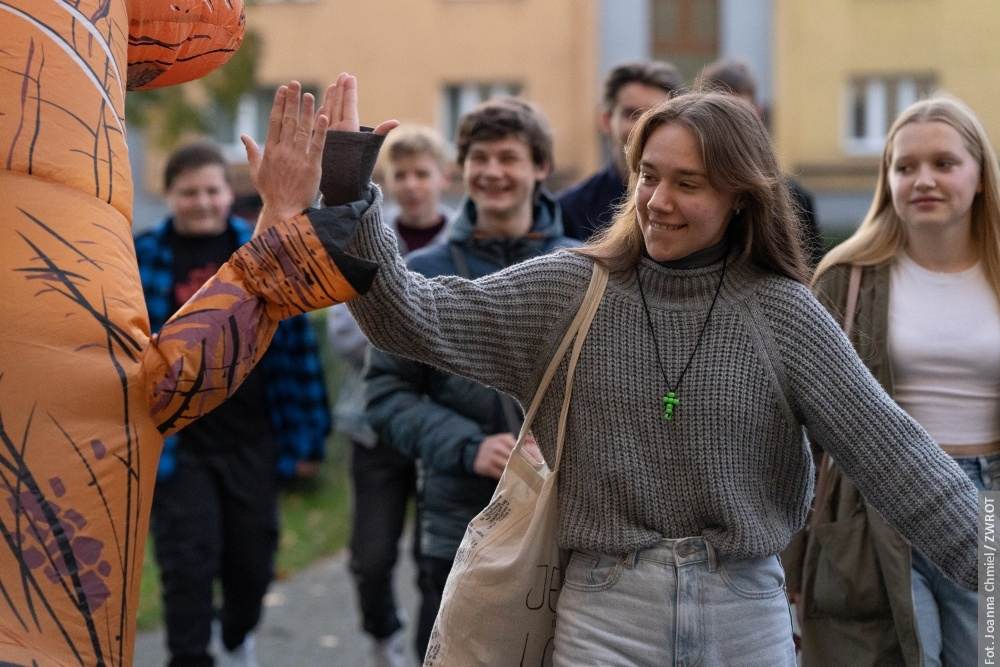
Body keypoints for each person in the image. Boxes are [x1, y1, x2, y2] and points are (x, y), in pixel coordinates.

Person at [313, 73, 978, 665]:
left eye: (687, 184)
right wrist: (347, 192)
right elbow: (408, 315)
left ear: (740, 198)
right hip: (603, 612)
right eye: (648, 175)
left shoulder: (783, 313)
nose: (657, 200)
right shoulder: (572, 288)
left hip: (743, 614)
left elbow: (895, 454)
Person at [363, 98, 578, 660]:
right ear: (462, 170)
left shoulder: (587, 270)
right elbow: (385, 395)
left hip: (566, 521)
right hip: (459, 519)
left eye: (509, 157)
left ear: (540, 168)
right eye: (480, 157)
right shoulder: (423, 272)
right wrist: (468, 445)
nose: (493, 171)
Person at [794, 95, 997, 666]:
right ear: (887, 179)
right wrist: (792, 555)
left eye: (943, 163)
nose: (922, 180)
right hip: (877, 503)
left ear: (980, 175)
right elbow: (799, 429)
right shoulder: (845, 278)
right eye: (905, 167)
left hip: (988, 508)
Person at [136, 142, 332, 667]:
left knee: (252, 566)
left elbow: (296, 350)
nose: (201, 201)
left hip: (252, 439)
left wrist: (308, 440)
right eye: (189, 192)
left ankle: (237, 635)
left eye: (211, 190)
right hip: (179, 448)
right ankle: (190, 657)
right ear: (170, 196)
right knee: (186, 568)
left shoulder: (259, 252)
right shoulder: (141, 256)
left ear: (229, 194)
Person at [326, 125, 452, 667]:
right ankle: (384, 635)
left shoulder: (462, 243)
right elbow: (342, 332)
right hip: (373, 424)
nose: (412, 185)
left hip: (443, 425)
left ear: (444, 178)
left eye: (422, 173)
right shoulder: (368, 237)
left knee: (436, 558)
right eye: (401, 175)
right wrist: (422, 326)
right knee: (370, 558)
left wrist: (389, 317)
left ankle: (435, 650)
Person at [699, 59, 825, 266]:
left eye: (739, 114)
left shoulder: (791, 197)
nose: (730, 126)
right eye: (719, 115)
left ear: (756, 113)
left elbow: (808, 274)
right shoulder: (678, 189)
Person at [558, 60, 681, 241]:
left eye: (657, 116)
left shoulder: (693, 200)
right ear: (606, 120)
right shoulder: (571, 209)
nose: (643, 126)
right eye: (632, 114)